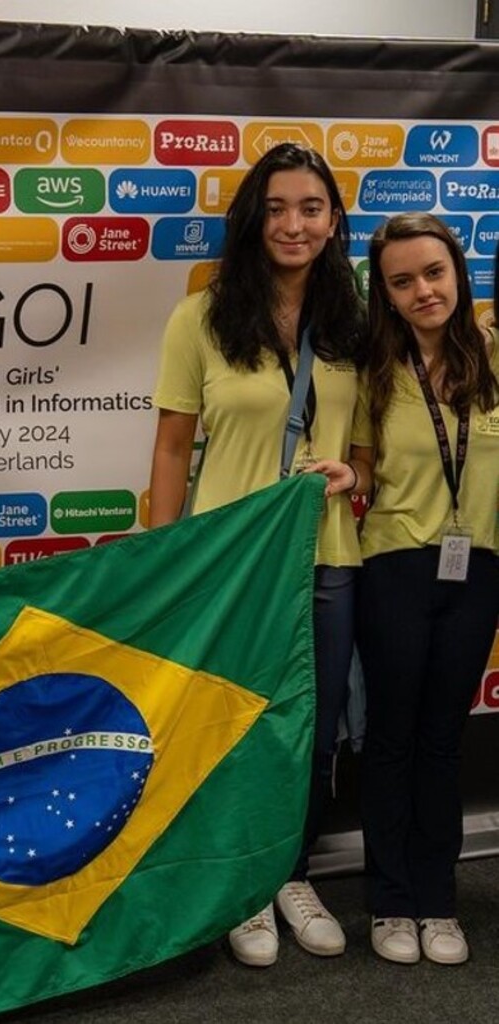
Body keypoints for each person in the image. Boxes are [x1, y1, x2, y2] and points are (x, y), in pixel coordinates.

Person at [148, 143, 367, 966]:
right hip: (229, 561)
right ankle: (239, 885)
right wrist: (166, 561)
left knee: (312, 729)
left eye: (310, 208)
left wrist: (353, 474)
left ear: (333, 220)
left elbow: (370, 448)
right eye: (275, 208)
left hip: (325, 556)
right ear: (252, 219)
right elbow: (172, 448)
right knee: (229, 721)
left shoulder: (352, 321)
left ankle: (291, 873)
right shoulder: (201, 318)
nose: (292, 224)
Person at [350, 213, 499, 966]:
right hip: (395, 565)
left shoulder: (493, 355)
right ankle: (390, 900)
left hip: (480, 569)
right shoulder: (373, 368)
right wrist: (347, 475)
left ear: (459, 274)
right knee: (392, 737)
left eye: (435, 274)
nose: (423, 292)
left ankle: (437, 900)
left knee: (443, 739)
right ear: (384, 292)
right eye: (402, 281)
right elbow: (365, 466)